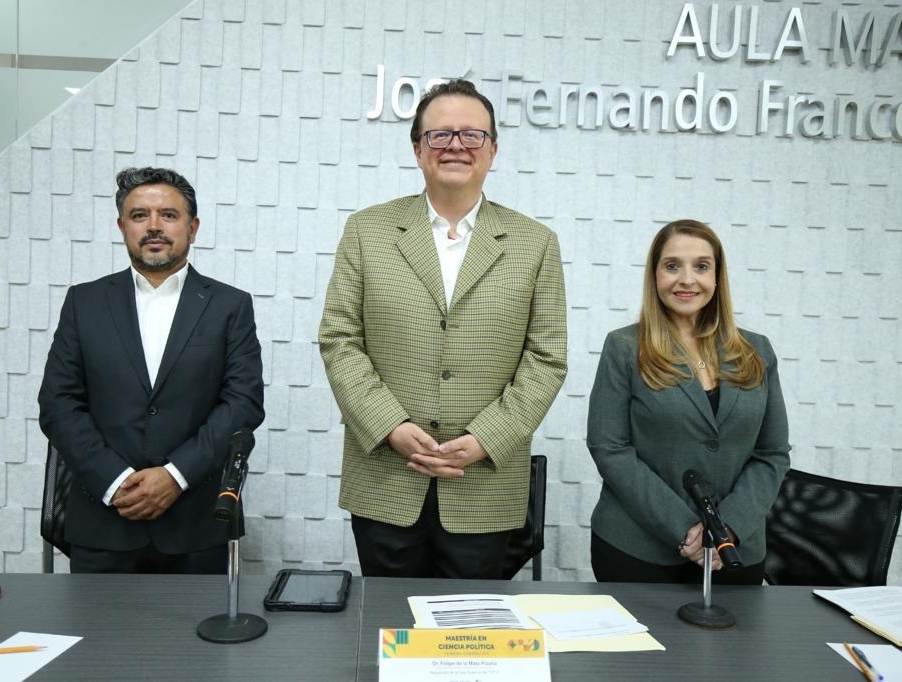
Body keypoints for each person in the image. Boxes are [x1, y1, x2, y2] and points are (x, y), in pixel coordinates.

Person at [318, 80, 568, 579]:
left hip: (484, 485)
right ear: (417, 149)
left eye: (472, 135)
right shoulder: (368, 231)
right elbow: (339, 339)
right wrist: (389, 426)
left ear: (493, 150)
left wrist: (485, 438)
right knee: (390, 633)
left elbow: (546, 359)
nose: (456, 145)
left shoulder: (534, 243)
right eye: (439, 135)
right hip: (386, 478)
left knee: (472, 637)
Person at [38, 167, 264, 574]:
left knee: (197, 638)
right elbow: (58, 403)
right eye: (140, 215)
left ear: (192, 229)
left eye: (169, 215)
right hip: (105, 522)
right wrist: (115, 480)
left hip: (196, 525)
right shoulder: (83, 303)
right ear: (122, 226)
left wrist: (175, 476)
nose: (154, 226)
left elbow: (242, 403)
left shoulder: (230, 306)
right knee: (97, 639)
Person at [586, 219, 790, 584]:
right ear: (654, 275)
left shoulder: (757, 351)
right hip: (637, 551)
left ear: (717, 276)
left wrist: (727, 528)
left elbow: (771, 453)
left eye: (701, 266)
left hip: (735, 550)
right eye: (672, 265)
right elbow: (609, 448)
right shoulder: (623, 348)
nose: (686, 279)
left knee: (738, 643)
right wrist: (687, 530)